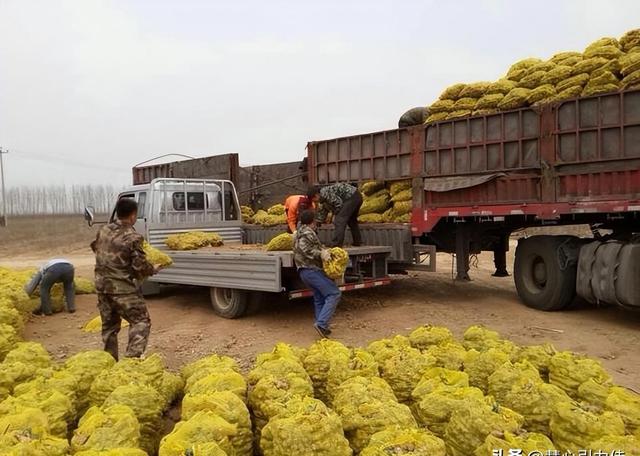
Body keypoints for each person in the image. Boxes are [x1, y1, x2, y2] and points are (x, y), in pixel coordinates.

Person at [90, 198, 162, 360]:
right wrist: (153, 269)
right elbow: (139, 267)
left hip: (103, 288)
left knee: (109, 327)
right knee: (141, 321)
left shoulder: (103, 230)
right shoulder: (133, 237)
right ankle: (131, 360)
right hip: (123, 290)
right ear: (132, 216)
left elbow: (96, 248)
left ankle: (109, 362)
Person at [293, 209, 341, 338]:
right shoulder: (307, 233)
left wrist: (322, 249)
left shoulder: (300, 232)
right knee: (334, 293)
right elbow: (305, 250)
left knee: (319, 298)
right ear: (312, 221)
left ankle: (322, 327)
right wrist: (322, 254)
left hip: (305, 271)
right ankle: (322, 323)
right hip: (311, 270)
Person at [308, 183, 362, 247]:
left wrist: (334, 215)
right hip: (356, 196)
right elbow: (323, 212)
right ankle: (357, 241)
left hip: (351, 197)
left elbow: (338, 203)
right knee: (351, 221)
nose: (315, 202)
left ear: (316, 195)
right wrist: (318, 223)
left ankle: (337, 243)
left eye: (314, 200)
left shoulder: (325, 193)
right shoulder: (323, 199)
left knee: (339, 220)